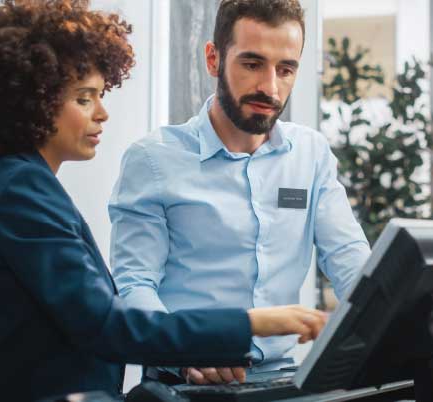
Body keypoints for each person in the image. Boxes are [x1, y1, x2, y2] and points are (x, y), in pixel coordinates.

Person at [0, 1, 327, 401]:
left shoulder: (24, 183)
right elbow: (109, 325)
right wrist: (253, 323)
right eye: (84, 98)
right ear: (33, 101)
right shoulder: (21, 191)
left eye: (100, 95)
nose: (102, 113)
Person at [109, 0, 369, 384]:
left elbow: (350, 260)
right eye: (252, 64)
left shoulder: (311, 154)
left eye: (285, 69)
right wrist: (185, 352)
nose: (270, 87)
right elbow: (134, 286)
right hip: (184, 381)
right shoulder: (152, 160)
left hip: (283, 378)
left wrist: (391, 315)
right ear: (213, 59)